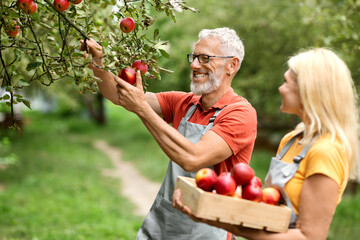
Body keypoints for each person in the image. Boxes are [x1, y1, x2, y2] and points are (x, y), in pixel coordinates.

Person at [81, 27, 257, 239]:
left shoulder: (240, 114)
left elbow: (193, 158)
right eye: (194, 57)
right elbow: (119, 97)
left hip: (208, 231)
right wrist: (98, 63)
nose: (193, 65)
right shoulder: (184, 102)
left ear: (232, 65)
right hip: (164, 223)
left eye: (204, 58)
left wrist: (143, 109)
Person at [173, 47, 359, 240]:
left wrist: (222, 223)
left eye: (286, 82)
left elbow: (309, 236)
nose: (280, 88)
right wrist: (212, 208)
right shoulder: (292, 140)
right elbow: (271, 210)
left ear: (308, 90)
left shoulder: (326, 150)